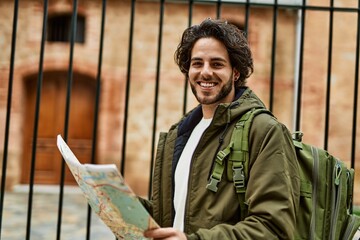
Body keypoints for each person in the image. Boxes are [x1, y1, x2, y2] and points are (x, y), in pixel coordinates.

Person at [142, 18, 300, 239]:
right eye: (197, 63)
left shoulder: (264, 131)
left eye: (217, 64)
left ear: (236, 72)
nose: (205, 72)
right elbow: (174, 214)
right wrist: (121, 205)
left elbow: (273, 228)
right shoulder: (179, 134)